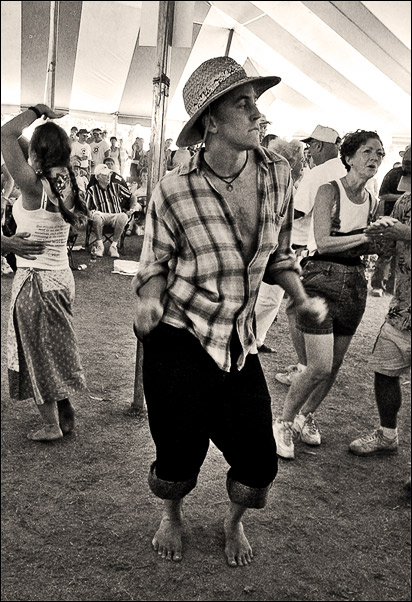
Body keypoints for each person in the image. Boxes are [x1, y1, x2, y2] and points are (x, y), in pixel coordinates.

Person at [132, 56, 327, 566]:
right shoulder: (174, 191)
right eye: (244, 104)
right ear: (211, 122)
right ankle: (172, 515)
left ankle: (232, 521)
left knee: (258, 459)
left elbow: (280, 254)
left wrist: (301, 297)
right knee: (177, 448)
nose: (258, 114)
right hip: (180, 336)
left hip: (238, 339)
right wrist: (150, 301)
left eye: (257, 102)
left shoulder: (278, 175)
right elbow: (154, 263)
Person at [273, 129, 386, 460]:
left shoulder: (373, 201)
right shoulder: (329, 190)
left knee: (333, 366)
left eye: (379, 154)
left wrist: (383, 239)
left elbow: (371, 249)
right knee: (318, 365)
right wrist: (365, 235)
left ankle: (305, 418)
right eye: (368, 152)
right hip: (321, 276)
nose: (375, 159)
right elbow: (323, 242)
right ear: (349, 157)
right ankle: (283, 421)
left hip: (354, 284)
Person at [1, 104, 88, 441]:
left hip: (36, 282)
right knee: (53, 346)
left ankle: (51, 423)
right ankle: (62, 401)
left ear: (36, 154)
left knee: (36, 352)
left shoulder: (32, 186)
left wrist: (38, 110)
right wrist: (40, 138)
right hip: (61, 279)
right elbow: (18, 144)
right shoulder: (65, 180)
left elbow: (6, 134)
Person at [349, 147, 410, 458]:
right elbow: (386, 249)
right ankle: (388, 434)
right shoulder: (404, 202)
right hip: (402, 309)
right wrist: (376, 235)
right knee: (385, 372)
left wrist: (407, 233)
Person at [275, 125, 346, 386]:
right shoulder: (350, 168)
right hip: (348, 254)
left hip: (317, 252)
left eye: (310, 146)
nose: (308, 152)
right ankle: (323, 367)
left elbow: (297, 212)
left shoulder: (319, 173)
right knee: (333, 315)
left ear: (318, 146)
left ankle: (306, 368)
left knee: (296, 308)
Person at [255, 137, 305, 353]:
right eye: (301, 160)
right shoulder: (274, 181)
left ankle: (256, 340)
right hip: (273, 252)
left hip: (282, 252)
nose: (304, 164)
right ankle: (253, 340)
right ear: (289, 161)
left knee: (270, 300)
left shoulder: (288, 182)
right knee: (267, 299)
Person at [369, 144, 410, 297]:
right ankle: (377, 285)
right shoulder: (393, 174)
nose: (407, 164)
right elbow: (383, 195)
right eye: (406, 160)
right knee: (386, 252)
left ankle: (393, 287)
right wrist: (404, 198)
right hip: (392, 218)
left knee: (402, 255)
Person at [86, 163, 131, 258]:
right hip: (101, 215)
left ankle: (113, 246)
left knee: (123, 216)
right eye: (105, 175)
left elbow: (131, 196)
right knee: (96, 216)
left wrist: (132, 208)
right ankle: (100, 246)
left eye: (109, 174)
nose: (108, 177)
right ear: (98, 177)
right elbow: (86, 207)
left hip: (115, 215)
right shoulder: (92, 190)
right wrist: (90, 213)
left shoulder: (116, 186)